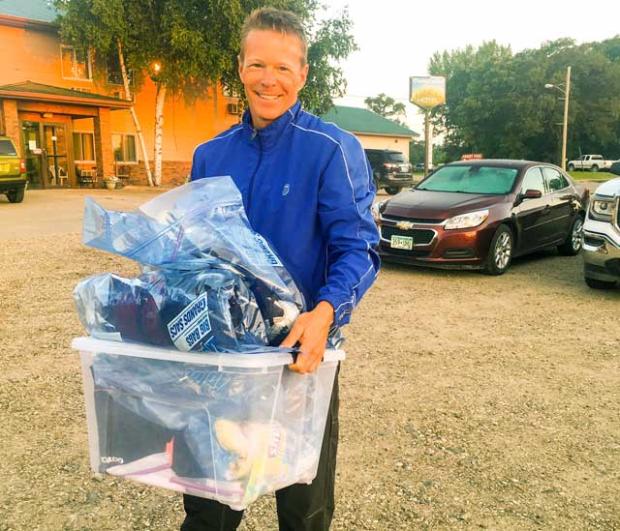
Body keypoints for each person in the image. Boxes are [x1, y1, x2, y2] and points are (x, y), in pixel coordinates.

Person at [183, 7, 380, 530]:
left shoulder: (332, 150)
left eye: (283, 68)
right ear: (240, 67)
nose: (268, 80)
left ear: (303, 74)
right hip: (222, 361)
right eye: (257, 65)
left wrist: (325, 314)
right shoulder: (210, 155)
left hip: (301, 358)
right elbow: (192, 252)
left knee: (302, 508)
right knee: (210, 505)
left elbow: (359, 247)